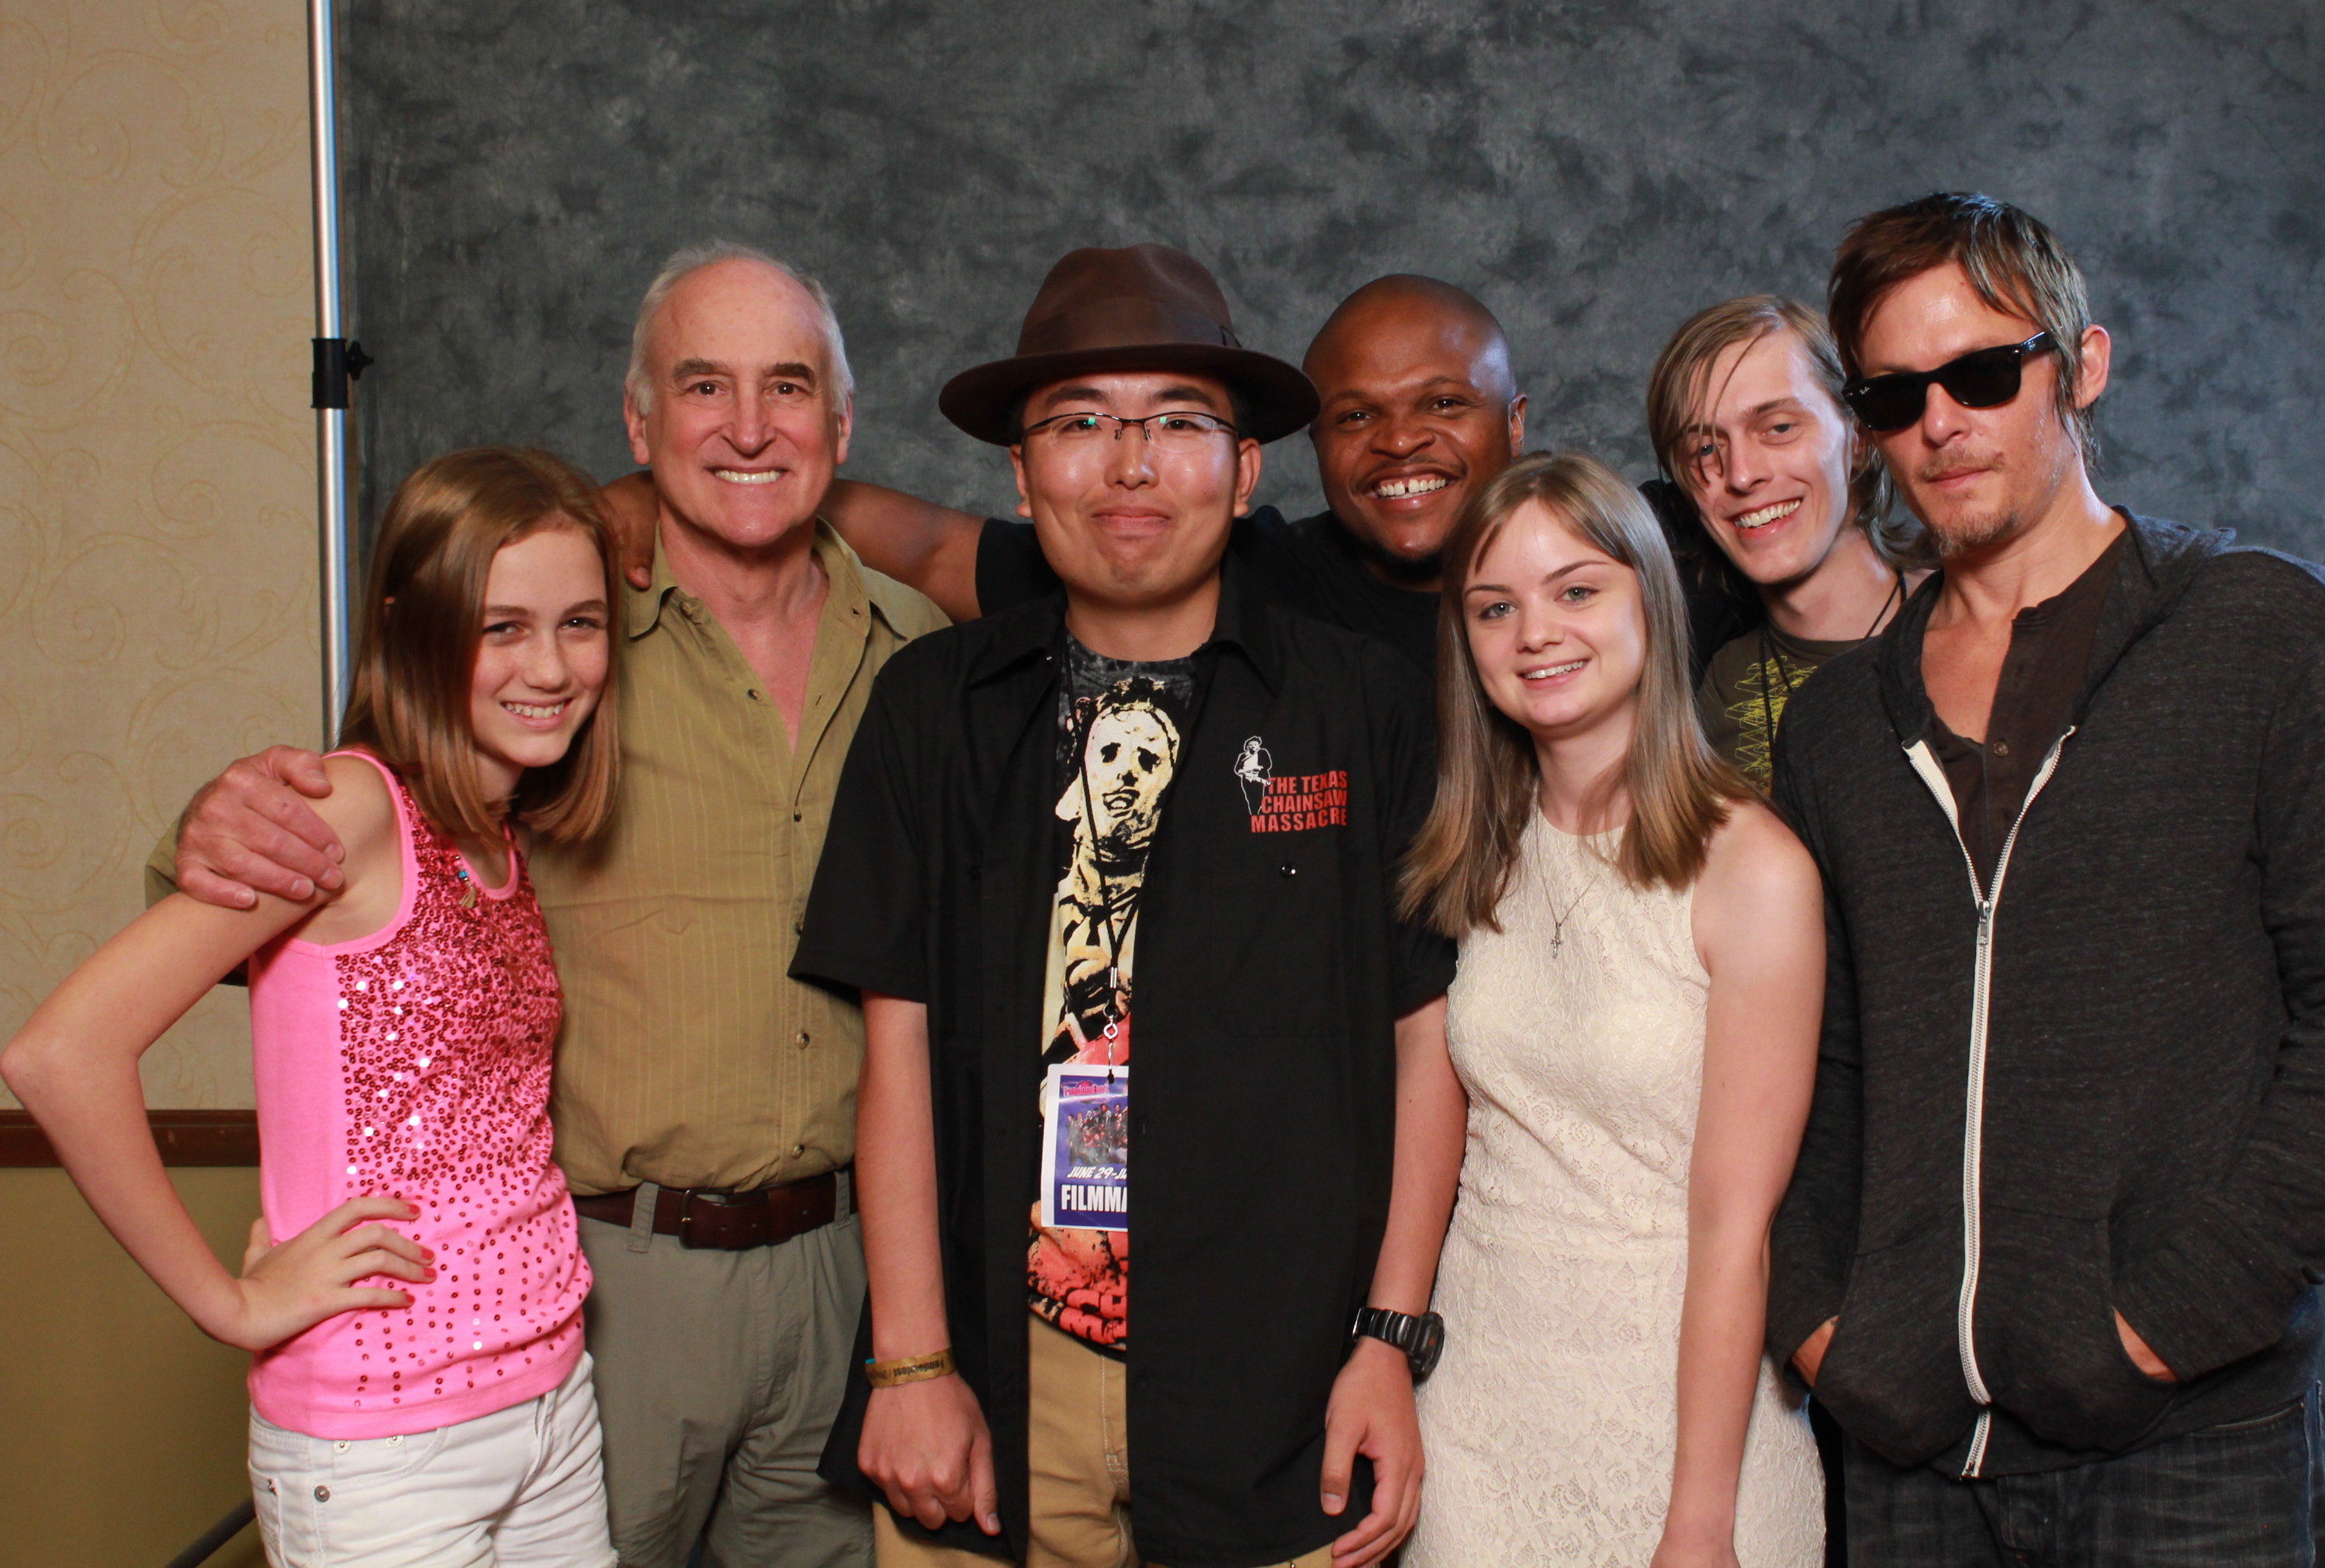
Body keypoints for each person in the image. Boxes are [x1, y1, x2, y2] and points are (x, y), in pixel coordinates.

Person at [157, 244, 950, 1568]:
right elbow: (348, 837)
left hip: (851, 1272)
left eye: (788, 386)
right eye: (705, 384)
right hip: (609, 1277)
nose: (749, 427)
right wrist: (221, 816)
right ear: (641, 424)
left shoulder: (922, 653)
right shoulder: (556, 645)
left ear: (842, 423)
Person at [1767, 194, 2325, 1566]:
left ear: (2081, 363)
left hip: (2187, 1436)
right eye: (1895, 393)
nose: (1939, 422)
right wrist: (1828, 1324)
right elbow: (1812, 1069)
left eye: (1981, 372)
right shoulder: (1836, 729)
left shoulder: (2264, 633)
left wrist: (2167, 1321)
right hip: (1911, 1451)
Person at [785, 244, 1467, 1568]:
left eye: (1175, 421)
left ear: (1246, 466)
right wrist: (911, 1360)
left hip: (1282, 1395)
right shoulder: (934, 708)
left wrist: (1390, 1341)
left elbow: (1424, 1040)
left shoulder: (1364, 706)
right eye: (1082, 423)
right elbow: (899, 1047)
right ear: (1025, 469)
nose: (1130, 461)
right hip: (998, 1383)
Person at [5, 447, 623, 1568]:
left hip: (549, 1406)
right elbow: (61, 1054)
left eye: (580, 623)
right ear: (414, 625)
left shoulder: (504, 832)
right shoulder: (350, 807)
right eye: (502, 627)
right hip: (385, 1445)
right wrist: (230, 1305)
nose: (551, 665)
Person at [1393, 452, 1828, 1568]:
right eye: (1496, 607)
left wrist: (1700, 1522)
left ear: (1651, 601)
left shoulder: (1753, 870)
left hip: (1682, 1432)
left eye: (1577, 590)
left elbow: (1739, 1231)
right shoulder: (1475, 856)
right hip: (1480, 1424)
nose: (1535, 632)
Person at [603, 271, 1755, 680]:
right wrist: (697, 487)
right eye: (1357, 416)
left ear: (1518, 421)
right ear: (1285, 458)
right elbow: (936, 548)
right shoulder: (1258, 574)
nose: (1402, 446)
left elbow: (1794, 519)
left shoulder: (1649, 553)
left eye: (1443, 405)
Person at [1643, 296, 1922, 788]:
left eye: (1778, 427)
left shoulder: (1971, 620)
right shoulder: (1716, 688)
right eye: (1706, 448)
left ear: (1858, 437)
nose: (1742, 475)